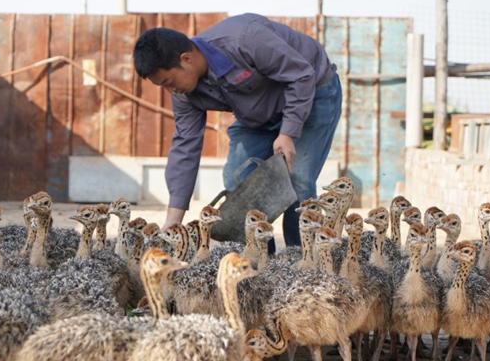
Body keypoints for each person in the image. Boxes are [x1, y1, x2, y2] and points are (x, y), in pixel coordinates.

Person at [132, 13, 342, 248]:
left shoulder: (246, 39)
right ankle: (261, 262)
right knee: (238, 179)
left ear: (186, 58)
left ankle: (301, 262)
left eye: (168, 82)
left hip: (312, 92)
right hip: (257, 112)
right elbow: (185, 147)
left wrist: (288, 133)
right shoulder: (184, 95)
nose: (170, 91)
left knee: (298, 180)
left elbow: (301, 75)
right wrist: (173, 219)